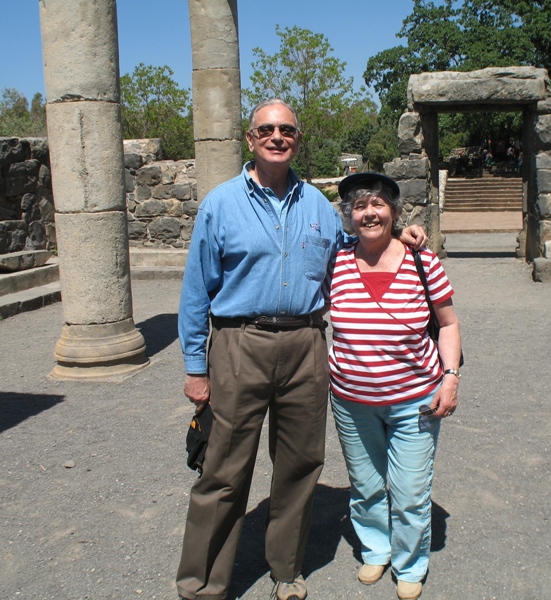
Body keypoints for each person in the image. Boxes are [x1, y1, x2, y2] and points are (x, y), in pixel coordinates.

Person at [175, 100, 426, 600]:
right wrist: (195, 367)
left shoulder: (317, 206)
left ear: (297, 138)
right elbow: (195, 291)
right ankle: (202, 585)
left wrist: (400, 232)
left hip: (307, 344)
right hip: (238, 342)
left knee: (299, 464)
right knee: (223, 468)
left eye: (285, 129)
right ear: (250, 139)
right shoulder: (220, 204)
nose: (276, 136)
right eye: (265, 129)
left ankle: (286, 572)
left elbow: (360, 244)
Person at [328, 172, 462, 600]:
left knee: (408, 491)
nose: (369, 213)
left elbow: (449, 323)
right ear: (348, 216)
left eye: (379, 204)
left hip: (415, 399)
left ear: (394, 212)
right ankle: (375, 548)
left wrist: (451, 378)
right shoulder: (335, 260)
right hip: (352, 402)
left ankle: (410, 563)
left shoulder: (423, 261)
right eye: (360, 206)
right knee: (366, 484)